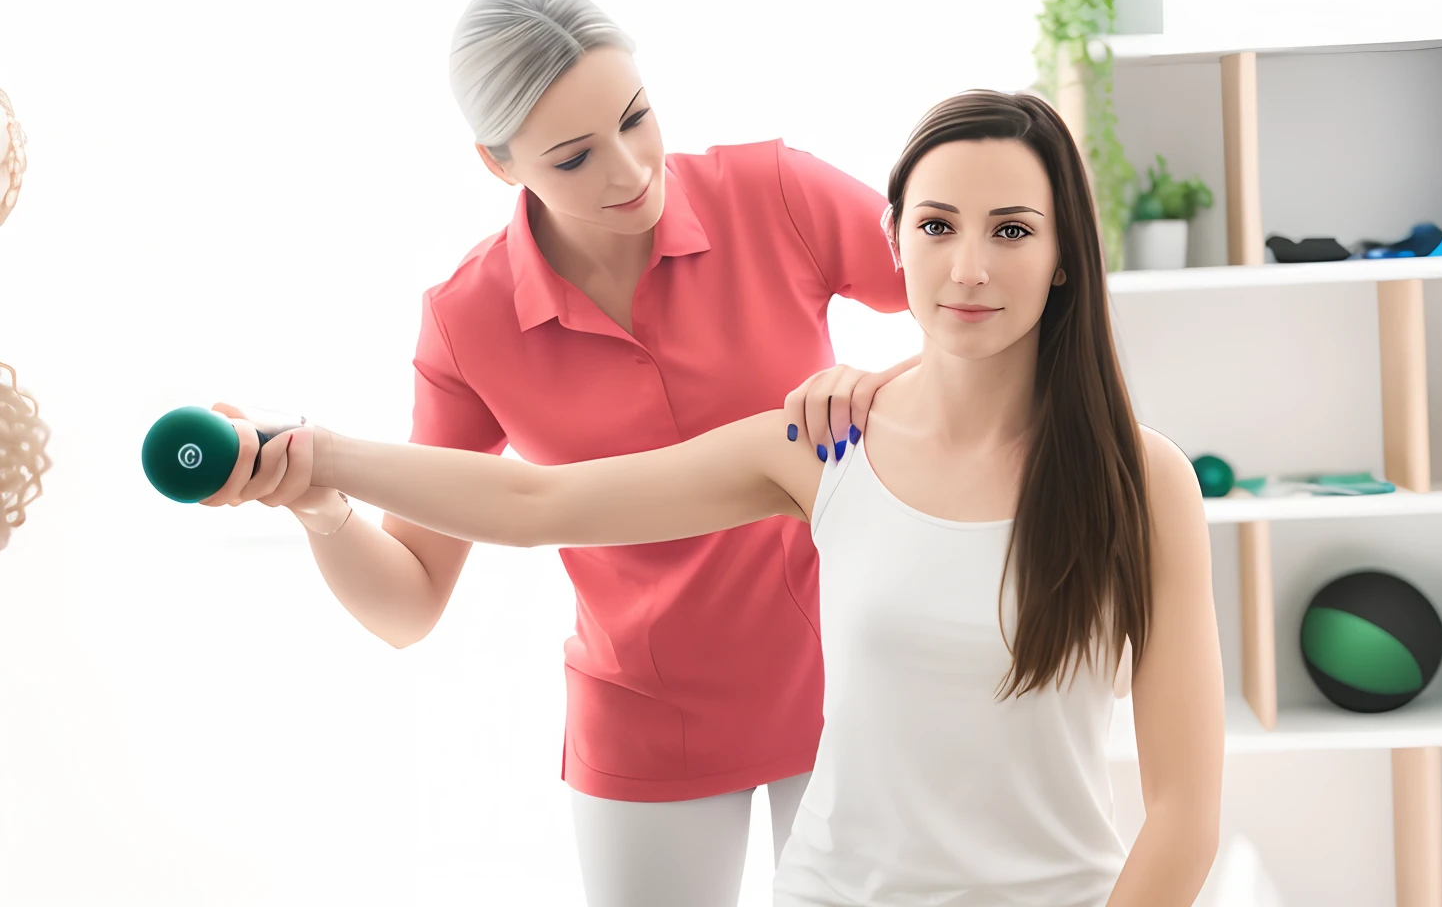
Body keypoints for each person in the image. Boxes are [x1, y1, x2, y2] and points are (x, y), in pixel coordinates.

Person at [208, 88, 1225, 906]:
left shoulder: (1146, 484)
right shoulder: (826, 446)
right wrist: (319, 459)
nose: (968, 265)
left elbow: (1183, 812)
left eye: (1011, 230)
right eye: (936, 225)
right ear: (895, 239)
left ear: (1062, 261)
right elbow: (536, 504)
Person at [205, 0, 916, 906]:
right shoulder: (469, 319)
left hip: (849, 682)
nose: (630, 172)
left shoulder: (773, 193)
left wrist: (877, 387)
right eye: (576, 158)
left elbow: (993, 310)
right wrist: (317, 504)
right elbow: (408, 604)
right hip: (648, 719)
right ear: (498, 164)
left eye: (637, 118)